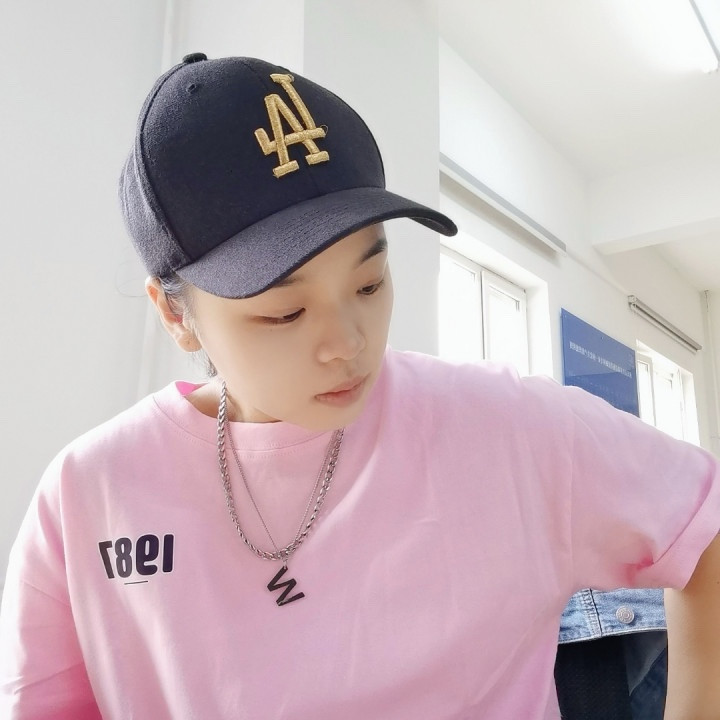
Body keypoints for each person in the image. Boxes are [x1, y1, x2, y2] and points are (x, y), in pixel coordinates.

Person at [1, 53, 720, 720]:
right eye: (284, 312)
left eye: (370, 283)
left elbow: (704, 522)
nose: (348, 342)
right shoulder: (89, 493)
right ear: (173, 312)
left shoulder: (510, 427)